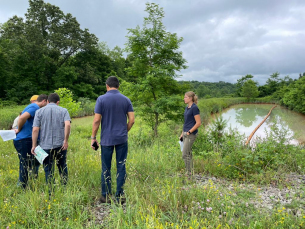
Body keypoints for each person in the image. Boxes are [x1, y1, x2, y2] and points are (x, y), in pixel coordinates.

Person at [91, 76, 135, 204]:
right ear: (118, 86)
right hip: (121, 138)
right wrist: (124, 131)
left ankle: (106, 196)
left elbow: (96, 120)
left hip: (106, 139)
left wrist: (93, 137)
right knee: (121, 166)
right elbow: (132, 120)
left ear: (107, 86)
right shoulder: (126, 100)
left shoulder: (101, 99)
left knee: (106, 167)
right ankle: (119, 196)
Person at [31, 93, 71, 190]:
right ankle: (65, 188)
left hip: (45, 146)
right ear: (58, 102)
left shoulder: (39, 112)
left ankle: (51, 190)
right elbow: (68, 125)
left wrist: (34, 145)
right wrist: (65, 141)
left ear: (47, 101)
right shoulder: (64, 110)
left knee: (48, 168)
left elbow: (35, 129)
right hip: (60, 145)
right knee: (62, 165)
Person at [13, 94, 48, 189]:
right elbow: (22, 117)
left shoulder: (34, 107)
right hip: (24, 140)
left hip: (27, 139)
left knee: (31, 162)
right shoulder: (34, 106)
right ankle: (22, 187)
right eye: (47, 103)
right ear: (44, 101)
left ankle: (31, 181)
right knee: (24, 164)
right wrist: (19, 129)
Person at [179, 91, 201, 178]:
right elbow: (186, 122)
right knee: (188, 153)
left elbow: (198, 123)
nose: (184, 99)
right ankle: (190, 171)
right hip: (185, 133)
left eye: (185, 97)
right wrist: (182, 133)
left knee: (185, 154)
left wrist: (189, 132)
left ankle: (189, 173)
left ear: (190, 98)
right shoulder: (187, 108)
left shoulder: (194, 108)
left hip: (190, 134)